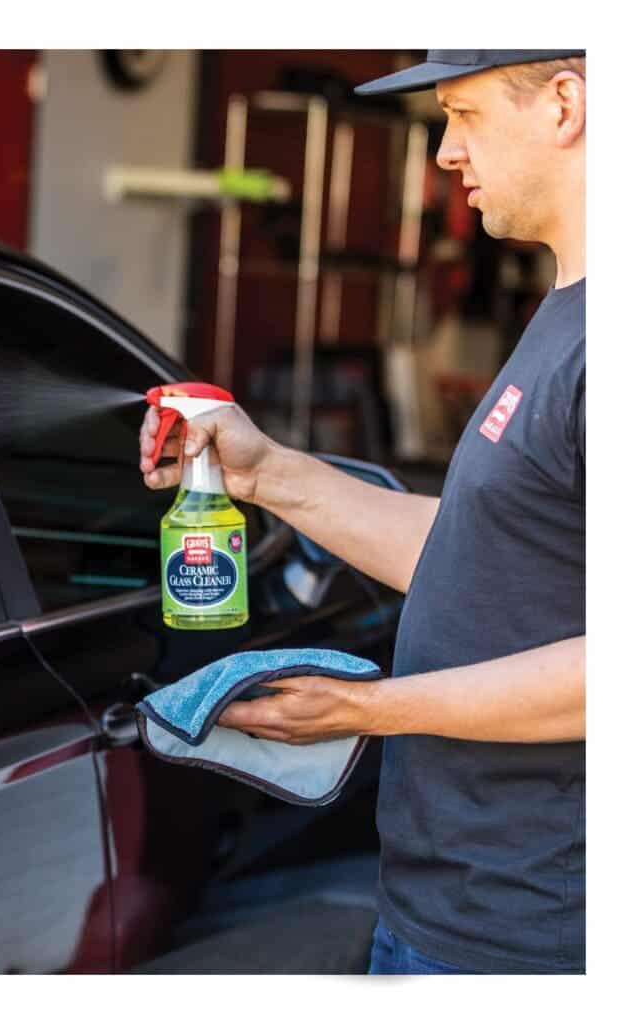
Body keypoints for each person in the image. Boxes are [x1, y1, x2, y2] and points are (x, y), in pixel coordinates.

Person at [138, 50, 585, 975]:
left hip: (536, 937)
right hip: (449, 906)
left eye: (462, 113)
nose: (446, 153)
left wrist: (369, 708)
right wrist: (262, 472)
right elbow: (492, 559)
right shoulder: (567, 320)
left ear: (566, 102)